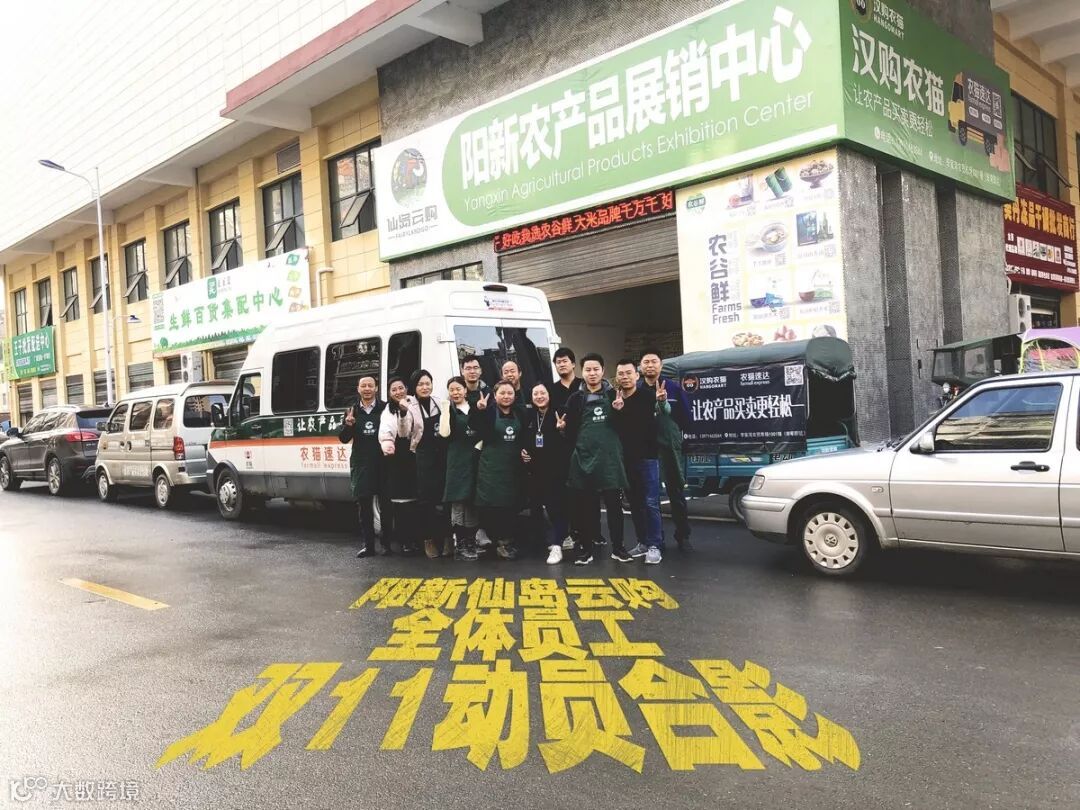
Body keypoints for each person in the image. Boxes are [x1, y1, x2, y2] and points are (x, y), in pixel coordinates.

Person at [560, 353, 631, 566]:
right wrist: (562, 429)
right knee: (587, 508)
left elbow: (624, 429)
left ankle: (618, 548)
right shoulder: (575, 399)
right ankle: (587, 549)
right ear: (582, 372)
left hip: (610, 460)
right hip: (585, 457)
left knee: (614, 507)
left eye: (596, 369)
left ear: (602, 370)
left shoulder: (614, 394)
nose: (592, 373)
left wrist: (620, 412)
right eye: (588, 370)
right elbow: (571, 433)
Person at [639, 349, 693, 551]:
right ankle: (655, 538)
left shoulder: (673, 388)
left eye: (654, 361)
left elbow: (686, 418)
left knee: (676, 491)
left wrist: (677, 438)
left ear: (661, 365)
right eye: (646, 362)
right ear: (640, 366)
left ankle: (683, 535)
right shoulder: (637, 389)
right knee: (649, 496)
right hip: (646, 446)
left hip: (669, 445)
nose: (650, 365)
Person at [615, 359, 667, 565]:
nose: (625, 377)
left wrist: (661, 402)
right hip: (625, 460)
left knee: (651, 502)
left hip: (648, 458)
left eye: (629, 373)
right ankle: (643, 542)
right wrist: (617, 411)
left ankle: (655, 545)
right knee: (635, 504)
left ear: (637, 376)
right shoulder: (614, 399)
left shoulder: (648, 396)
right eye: (621, 373)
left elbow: (664, 414)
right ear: (617, 377)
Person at [469, 381, 526, 560]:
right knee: (491, 506)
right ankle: (497, 542)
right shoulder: (488, 412)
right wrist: (479, 410)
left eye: (510, 393)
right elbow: (475, 426)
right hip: (491, 467)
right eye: (502, 393)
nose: (506, 396)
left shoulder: (520, 413)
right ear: (495, 395)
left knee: (510, 506)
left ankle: (506, 541)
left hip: (512, 467)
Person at [338, 375, 390, 558]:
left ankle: (386, 545)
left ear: (376, 388)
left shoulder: (385, 408)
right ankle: (368, 546)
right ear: (358, 389)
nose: (367, 389)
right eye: (363, 386)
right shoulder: (351, 411)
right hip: (361, 464)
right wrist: (349, 425)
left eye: (370, 385)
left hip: (383, 463)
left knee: (386, 507)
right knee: (365, 508)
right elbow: (344, 438)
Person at [521, 382, 569, 564]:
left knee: (556, 507)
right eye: (535, 394)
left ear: (549, 394)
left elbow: (570, 438)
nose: (539, 396)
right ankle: (544, 542)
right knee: (536, 509)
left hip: (556, 469)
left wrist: (562, 429)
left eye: (543, 393)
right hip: (535, 470)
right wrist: (523, 451)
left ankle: (557, 545)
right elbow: (524, 437)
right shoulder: (530, 415)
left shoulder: (560, 412)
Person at [378, 377, 424, 555]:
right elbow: (388, 432)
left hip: (414, 452)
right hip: (397, 456)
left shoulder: (414, 402)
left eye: (401, 388)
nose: (398, 392)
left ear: (406, 388)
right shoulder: (388, 410)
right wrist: (387, 443)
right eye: (394, 389)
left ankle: (415, 538)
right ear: (389, 393)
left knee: (414, 500)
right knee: (400, 502)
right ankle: (404, 540)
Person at [438, 376, 480, 561]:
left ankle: (471, 541)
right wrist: (445, 409)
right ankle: (460, 543)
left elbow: (483, 431)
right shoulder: (449, 410)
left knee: (471, 502)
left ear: (465, 390)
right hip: (456, 460)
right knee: (457, 503)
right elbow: (444, 433)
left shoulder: (475, 407)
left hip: (474, 459)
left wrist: (478, 447)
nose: (455, 392)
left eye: (458, 389)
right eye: (452, 389)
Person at [408, 369, 447, 559]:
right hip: (422, 456)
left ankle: (446, 539)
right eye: (420, 384)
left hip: (442, 455)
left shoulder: (440, 402)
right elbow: (404, 431)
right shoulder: (409, 405)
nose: (425, 387)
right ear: (414, 387)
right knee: (426, 501)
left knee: (444, 500)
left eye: (427, 383)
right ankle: (428, 540)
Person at [549, 347, 582, 412]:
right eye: (558, 362)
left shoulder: (584, 384)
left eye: (565, 361)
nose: (562, 365)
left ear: (573, 364)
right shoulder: (551, 389)